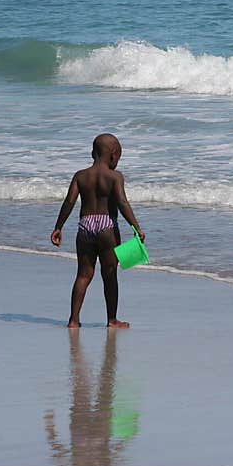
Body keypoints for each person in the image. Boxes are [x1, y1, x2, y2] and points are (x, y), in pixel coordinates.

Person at [51, 133, 145, 329]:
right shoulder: (115, 177)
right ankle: (112, 320)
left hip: (85, 224)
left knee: (83, 275)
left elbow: (69, 202)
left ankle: (73, 320)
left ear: (92, 152)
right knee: (109, 274)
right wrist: (136, 226)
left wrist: (58, 226)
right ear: (113, 155)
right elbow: (122, 202)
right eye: (119, 157)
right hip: (107, 226)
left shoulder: (80, 176)